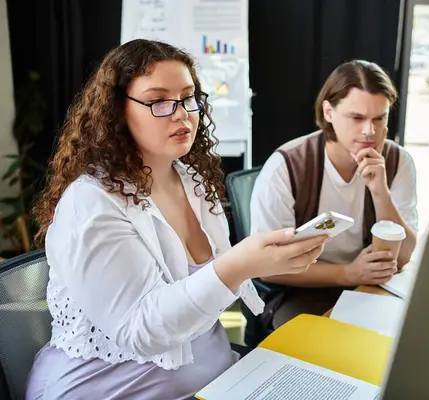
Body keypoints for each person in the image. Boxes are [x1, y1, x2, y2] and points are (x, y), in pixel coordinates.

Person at [25, 39, 327, 400]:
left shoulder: (191, 179)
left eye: (188, 97)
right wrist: (237, 266)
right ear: (116, 110)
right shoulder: (91, 202)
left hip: (215, 376)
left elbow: (202, 302)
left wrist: (265, 261)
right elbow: (138, 331)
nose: (182, 113)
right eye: (158, 101)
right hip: (105, 388)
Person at [250, 60, 418, 328]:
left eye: (379, 118)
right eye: (357, 118)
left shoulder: (398, 161)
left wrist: (380, 191)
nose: (369, 131)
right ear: (328, 111)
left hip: (368, 284)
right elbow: (267, 266)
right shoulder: (287, 166)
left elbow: (403, 256)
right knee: (318, 348)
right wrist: (347, 274)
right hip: (301, 288)